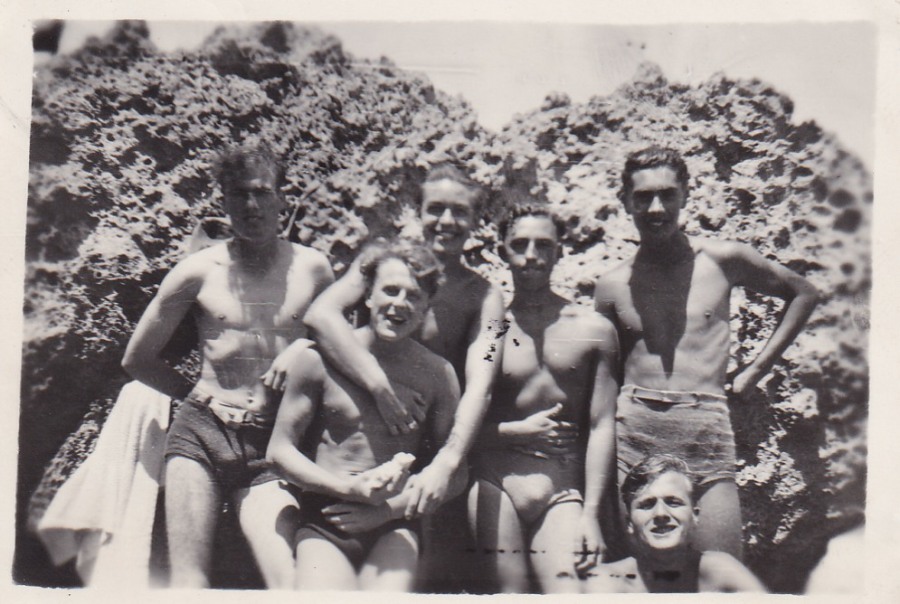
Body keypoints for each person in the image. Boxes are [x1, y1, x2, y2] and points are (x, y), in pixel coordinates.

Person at [121, 143, 334, 588]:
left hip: (273, 443)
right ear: (223, 200)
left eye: (261, 192)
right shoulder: (197, 271)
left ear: (282, 197)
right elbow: (138, 359)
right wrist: (195, 398)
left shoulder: (314, 269)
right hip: (201, 433)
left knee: (289, 579)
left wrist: (301, 348)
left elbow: (341, 350)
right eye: (239, 194)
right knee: (189, 582)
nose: (251, 205)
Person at [594, 146, 820, 558]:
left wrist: (755, 371)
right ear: (625, 201)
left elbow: (803, 293)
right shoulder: (611, 285)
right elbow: (605, 378)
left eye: (667, 194)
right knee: (644, 570)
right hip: (636, 429)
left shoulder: (723, 260)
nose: (656, 208)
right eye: (643, 197)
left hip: (705, 426)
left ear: (686, 194)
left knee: (721, 567)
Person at [303, 163, 506, 590]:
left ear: (477, 219)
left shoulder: (484, 295)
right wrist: (381, 387)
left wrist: (448, 460)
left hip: (436, 437)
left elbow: (481, 381)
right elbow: (321, 315)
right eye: (436, 208)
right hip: (364, 435)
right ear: (418, 211)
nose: (446, 221)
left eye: (460, 211)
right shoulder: (383, 262)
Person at [266, 241, 463, 591]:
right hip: (328, 515)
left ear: (426, 307)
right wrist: (346, 488)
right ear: (368, 295)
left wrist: (389, 511)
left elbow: (457, 472)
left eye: (413, 296)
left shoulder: (437, 374)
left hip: (395, 520)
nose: (399, 303)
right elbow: (279, 452)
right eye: (390, 290)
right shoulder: (317, 361)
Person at [467, 206, 619, 593]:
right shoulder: (491, 331)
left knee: (569, 592)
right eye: (520, 244)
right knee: (509, 593)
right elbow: (462, 423)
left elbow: (602, 424)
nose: (531, 255)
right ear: (502, 251)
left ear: (559, 251)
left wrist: (591, 514)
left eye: (543, 245)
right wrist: (513, 432)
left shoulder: (594, 329)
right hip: (496, 483)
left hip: (562, 490)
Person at [585, 454, 766, 593]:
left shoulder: (721, 572)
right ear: (629, 523)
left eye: (673, 502)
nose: (660, 514)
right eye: (647, 505)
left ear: (695, 515)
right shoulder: (607, 583)